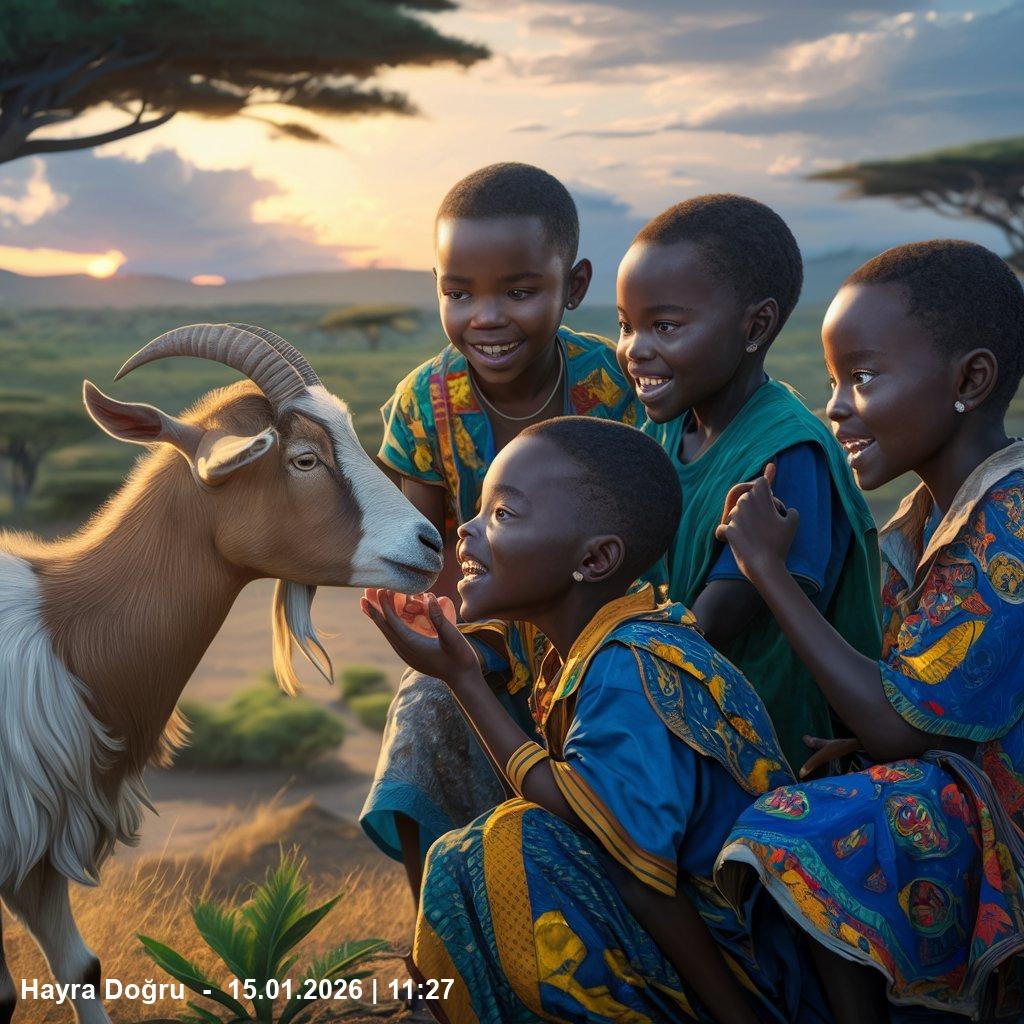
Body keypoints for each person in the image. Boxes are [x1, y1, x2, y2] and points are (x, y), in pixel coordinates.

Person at [362, 417, 829, 1024]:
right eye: (477, 511)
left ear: (596, 557)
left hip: (754, 977)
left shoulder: (626, 665)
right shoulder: (600, 650)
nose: (468, 531)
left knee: (508, 846)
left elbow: (641, 880)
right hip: (722, 957)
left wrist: (463, 678)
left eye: (503, 515)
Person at [714, 240, 1024, 1023]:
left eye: (864, 377)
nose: (837, 406)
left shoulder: (1010, 525)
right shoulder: (923, 523)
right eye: (830, 381)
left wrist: (769, 575)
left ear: (971, 380)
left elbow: (897, 726)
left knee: (811, 826)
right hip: (980, 798)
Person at [359, 163, 644, 900]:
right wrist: (453, 639)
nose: (485, 316)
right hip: (477, 639)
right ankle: (441, 955)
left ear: (574, 285)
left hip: (606, 641)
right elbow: (423, 552)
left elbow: (648, 525)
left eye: (519, 291)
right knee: (421, 722)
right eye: (459, 293)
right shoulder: (425, 401)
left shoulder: (614, 386)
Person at [616, 194, 882, 772]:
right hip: (685, 719)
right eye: (626, 325)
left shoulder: (784, 454)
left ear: (755, 325)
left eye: (664, 325)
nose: (636, 349)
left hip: (768, 750)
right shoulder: (668, 429)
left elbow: (711, 626)